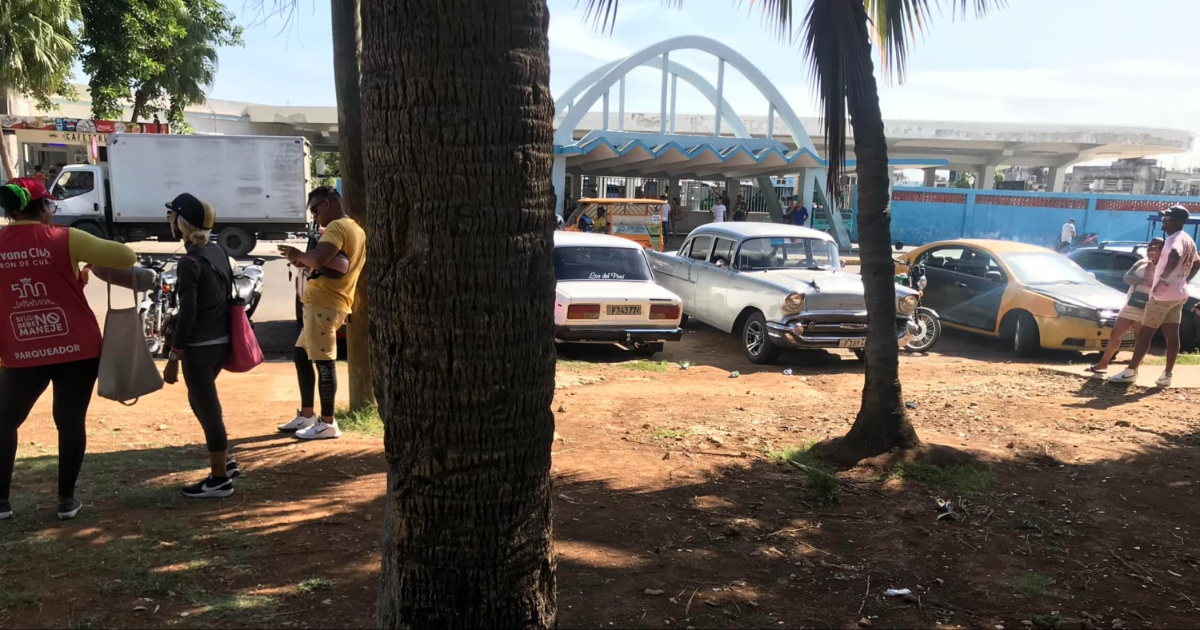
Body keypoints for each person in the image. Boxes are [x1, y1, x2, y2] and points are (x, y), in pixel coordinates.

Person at [0, 178, 136, 521]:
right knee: (70, 423)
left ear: (11, 211)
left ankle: (1, 503)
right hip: (77, 348)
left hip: (21, 349)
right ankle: (65, 501)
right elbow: (126, 255)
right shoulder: (65, 239)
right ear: (45, 208)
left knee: (4, 423)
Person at [161, 193, 241, 498]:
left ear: (181, 223)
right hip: (221, 342)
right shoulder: (217, 250)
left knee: (208, 410)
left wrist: (173, 356)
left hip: (199, 347)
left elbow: (190, 312)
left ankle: (219, 479)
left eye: (171, 217)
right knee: (201, 402)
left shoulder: (189, 261)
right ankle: (224, 461)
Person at [277, 187, 366, 439]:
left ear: (327, 203)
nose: (314, 215)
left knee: (324, 362)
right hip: (327, 303)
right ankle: (307, 415)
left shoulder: (337, 227)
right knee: (301, 353)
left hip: (326, 303)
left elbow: (319, 259)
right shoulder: (356, 229)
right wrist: (305, 259)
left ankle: (327, 423)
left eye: (315, 209)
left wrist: (297, 255)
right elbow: (328, 261)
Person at [1110, 206, 1200, 387]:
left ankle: (1131, 371)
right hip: (1178, 295)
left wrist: (1164, 279)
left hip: (1162, 296)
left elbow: (1175, 255)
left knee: (1145, 333)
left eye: (1166, 219)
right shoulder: (1188, 239)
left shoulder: (1174, 240)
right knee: (1172, 335)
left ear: (1175, 220)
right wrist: (1183, 281)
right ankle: (1167, 375)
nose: (1163, 222)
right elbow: (1197, 262)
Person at [1087, 239, 1163, 373]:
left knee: (1140, 337)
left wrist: (1152, 263)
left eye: (1155, 247)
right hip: (1131, 303)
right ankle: (1103, 363)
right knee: (1115, 333)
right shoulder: (1141, 262)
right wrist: (1139, 280)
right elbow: (1127, 278)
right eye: (1149, 246)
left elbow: (1150, 282)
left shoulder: (1162, 266)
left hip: (1146, 305)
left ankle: (1134, 367)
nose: (1150, 249)